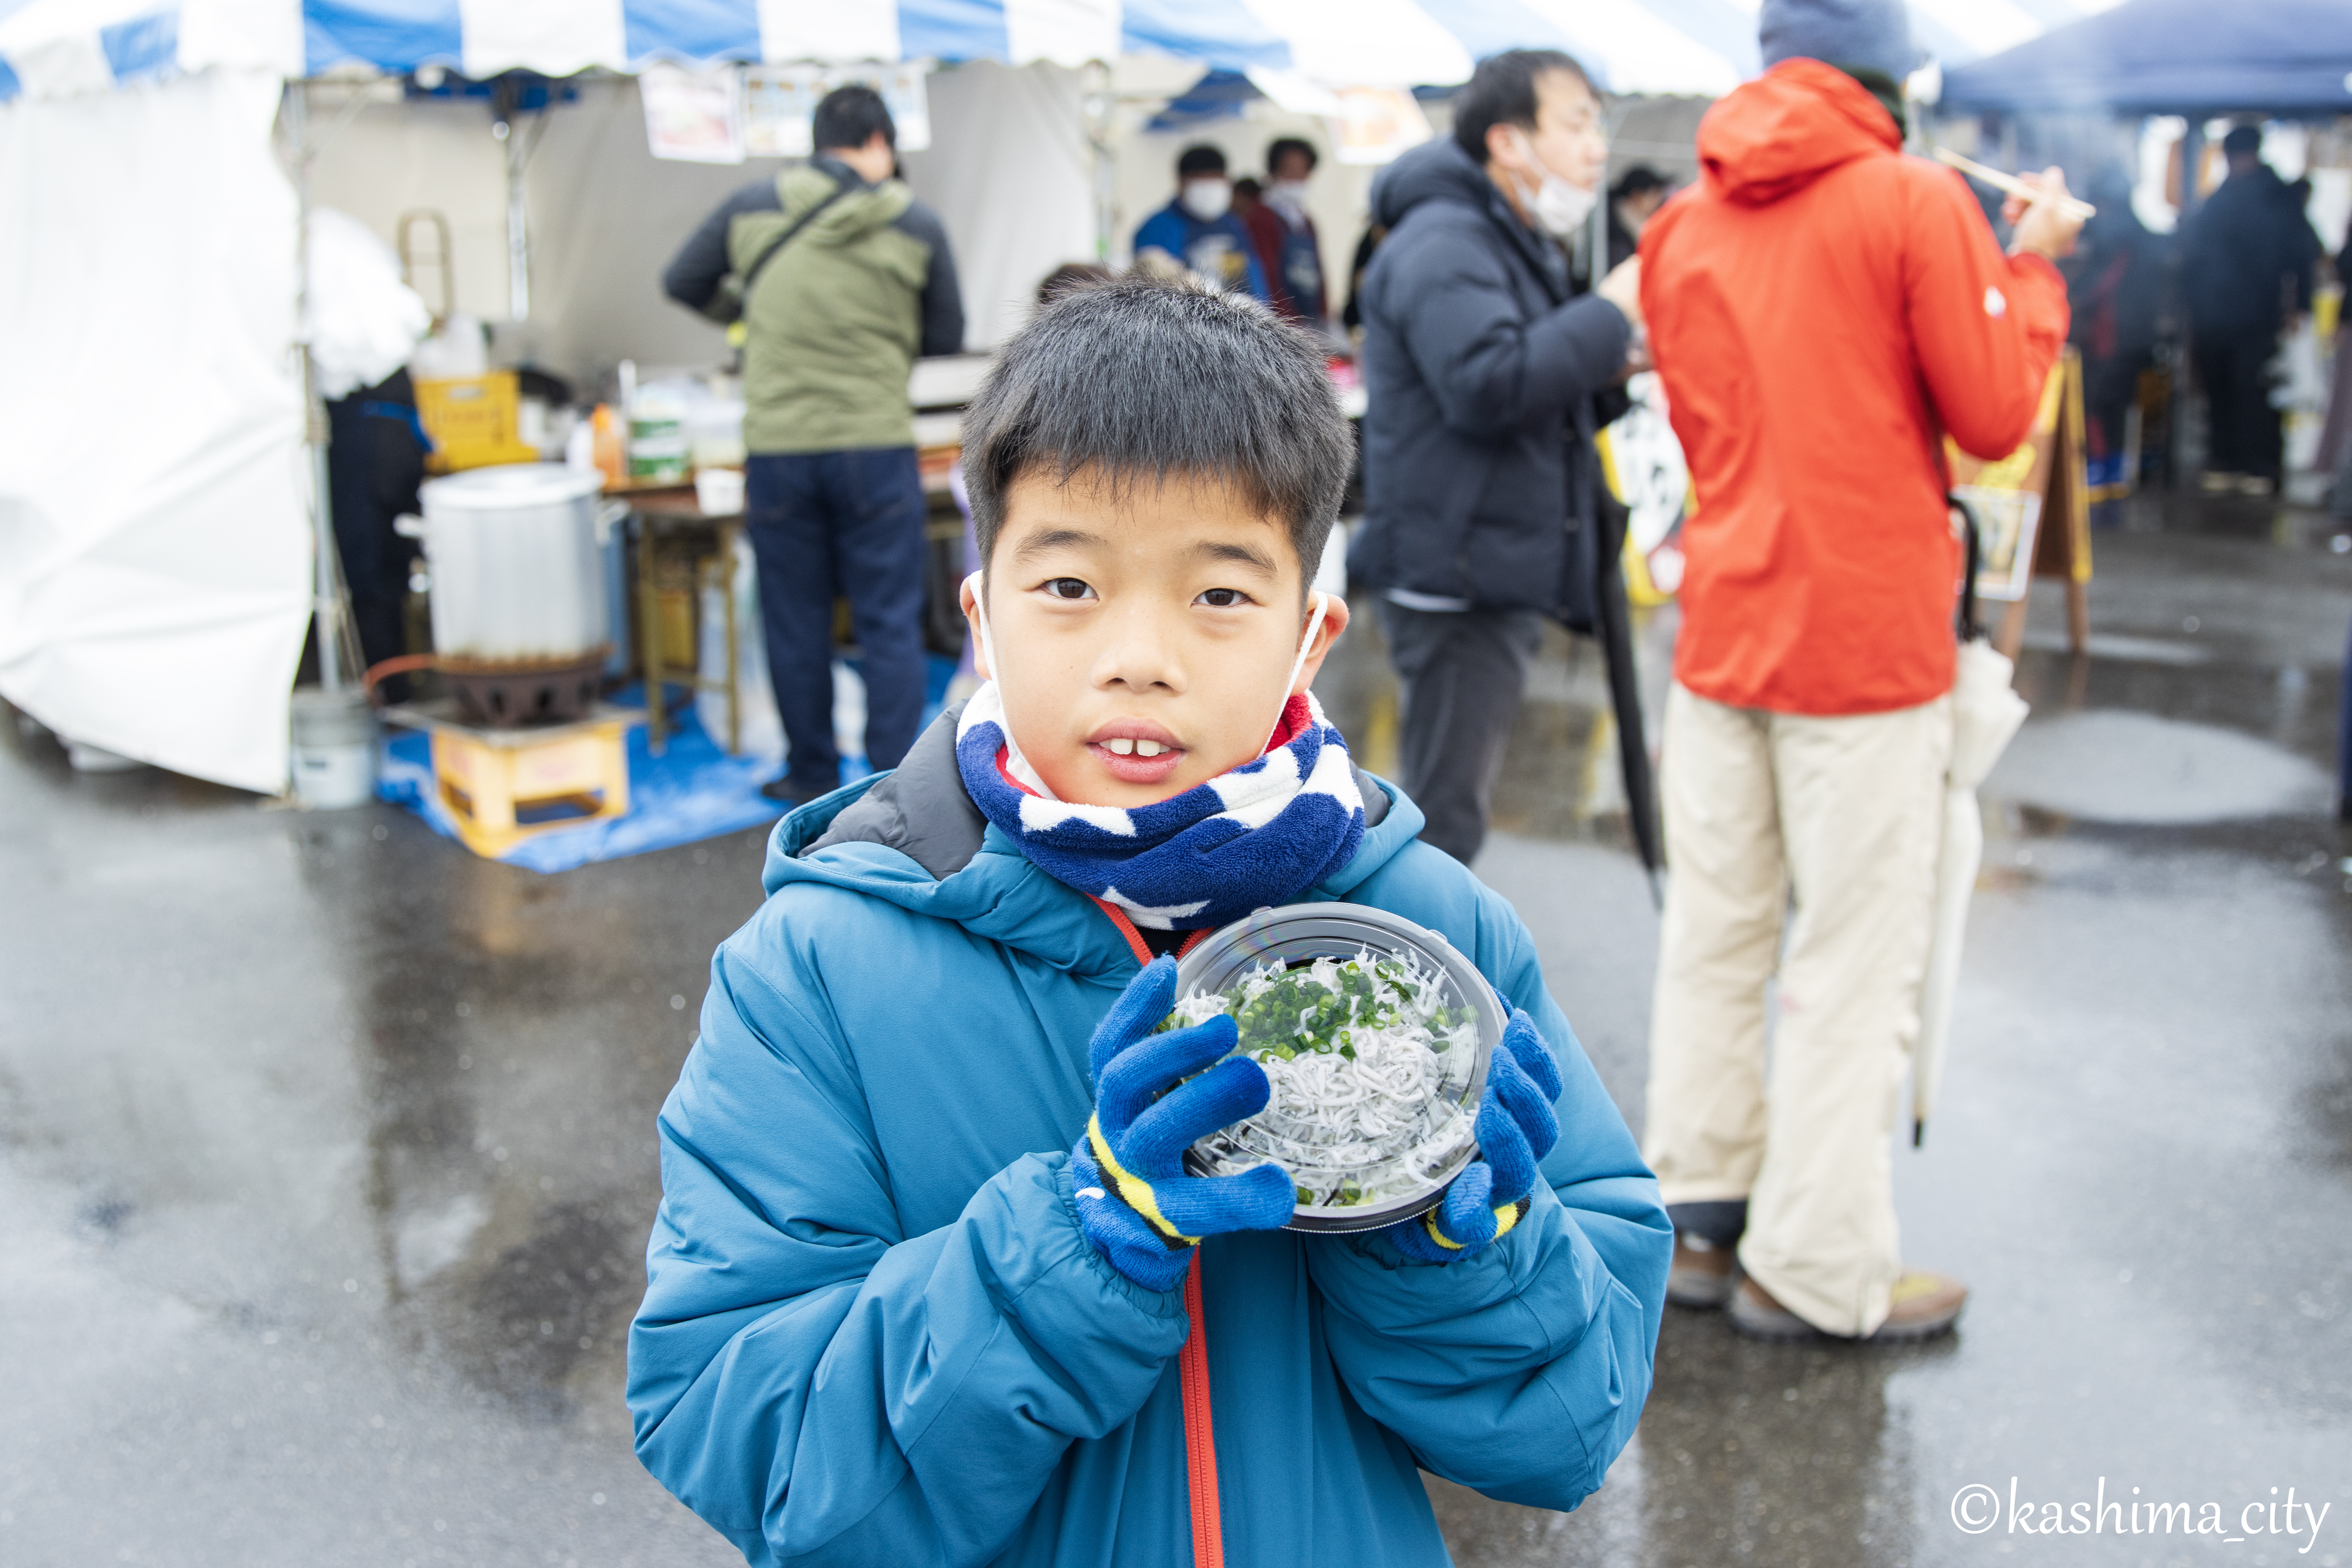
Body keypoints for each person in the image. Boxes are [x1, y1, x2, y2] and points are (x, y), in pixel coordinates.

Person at [627, 276, 1670, 1568]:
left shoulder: (1429, 933)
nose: (1139, 654)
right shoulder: (819, 969)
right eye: (1066, 581)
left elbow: (1569, 1429)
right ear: (980, 615)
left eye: (1219, 594)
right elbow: (755, 1446)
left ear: (1311, 633)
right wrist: (1072, 1242)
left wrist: (1466, 1247)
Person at [1636, 0, 2082, 1342]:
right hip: (1866, 641)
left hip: (1722, 625)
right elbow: (1995, 411)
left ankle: (1699, 1211)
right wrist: (2036, 271)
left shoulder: (1678, 227)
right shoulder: (1915, 197)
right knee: (1849, 958)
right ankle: (1816, 1261)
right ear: (1893, 66)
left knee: (1713, 935)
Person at [1350, 49, 1645, 865]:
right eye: (1578, 124)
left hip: (1482, 558)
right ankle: (1417, 975)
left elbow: (1536, 383)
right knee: (1443, 816)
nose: (1596, 149)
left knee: (1452, 800)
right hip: (1457, 570)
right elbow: (1488, 383)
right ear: (1509, 142)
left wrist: (1612, 358)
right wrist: (1610, 315)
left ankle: (1426, 963)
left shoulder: (1502, 236)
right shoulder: (1448, 241)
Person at [662, 85, 965, 804]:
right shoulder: (916, 221)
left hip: (780, 448)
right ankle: (896, 785)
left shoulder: (751, 207)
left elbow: (682, 280)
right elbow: (946, 335)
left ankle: (810, 776)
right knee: (887, 619)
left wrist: (747, 315)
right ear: (881, 144)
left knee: (793, 618)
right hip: (874, 443)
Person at [2181, 126, 2317, 496]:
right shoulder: (2220, 197)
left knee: (2253, 390)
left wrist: (2300, 305)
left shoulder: (2279, 197)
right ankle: (2224, 460)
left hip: (2257, 312)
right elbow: (2195, 252)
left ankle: (2259, 466)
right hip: (2214, 313)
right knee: (2219, 387)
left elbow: (2301, 254)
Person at [1131, 144, 1271, 301]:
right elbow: (1151, 288)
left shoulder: (1233, 225)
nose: (1210, 189)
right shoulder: (1156, 229)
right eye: (1202, 181)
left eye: (1215, 180)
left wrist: (1260, 308)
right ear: (1181, 183)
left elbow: (1255, 278)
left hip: (1238, 317)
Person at [1244, 136, 1330, 327]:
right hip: (1279, 325)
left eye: (1303, 171)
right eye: (1290, 170)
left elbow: (1319, 275)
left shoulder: (1306, 221)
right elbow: (1266, 278)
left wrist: (1323, 320)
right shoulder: (1261, 217)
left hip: (1310, 322)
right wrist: (1290, 326)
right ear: (1273, 172)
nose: (1297, 179)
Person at [1606, 166, 1670, 270]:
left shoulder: (1621, 222)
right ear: (1636, 196)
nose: (1660, 201)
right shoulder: (1616, 238)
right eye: (1654, 194)